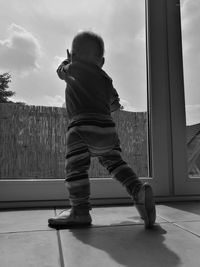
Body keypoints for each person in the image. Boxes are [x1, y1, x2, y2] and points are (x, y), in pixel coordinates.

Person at [48, 31, 156, 229]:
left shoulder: (73, 68)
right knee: (117, 165)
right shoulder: (106, 79)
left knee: (76, 169)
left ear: (73, 55)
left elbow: (59, 71)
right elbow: (115, 105)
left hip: (80, 128)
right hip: (107, 131)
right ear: (102, 61)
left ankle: (80, 212)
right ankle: (138, 190)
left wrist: (67, 60)